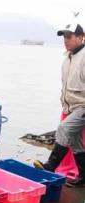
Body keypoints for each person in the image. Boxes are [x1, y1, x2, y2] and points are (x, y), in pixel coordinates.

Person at [34, 23, 85, 187]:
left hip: (83, 107)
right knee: (75, 142)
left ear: (80, 37)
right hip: (71, 108)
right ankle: (83, 177)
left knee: (63, 129)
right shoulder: (67, 59)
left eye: (69, 36)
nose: (65, 40)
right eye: (64, 37)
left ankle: (50, 166)